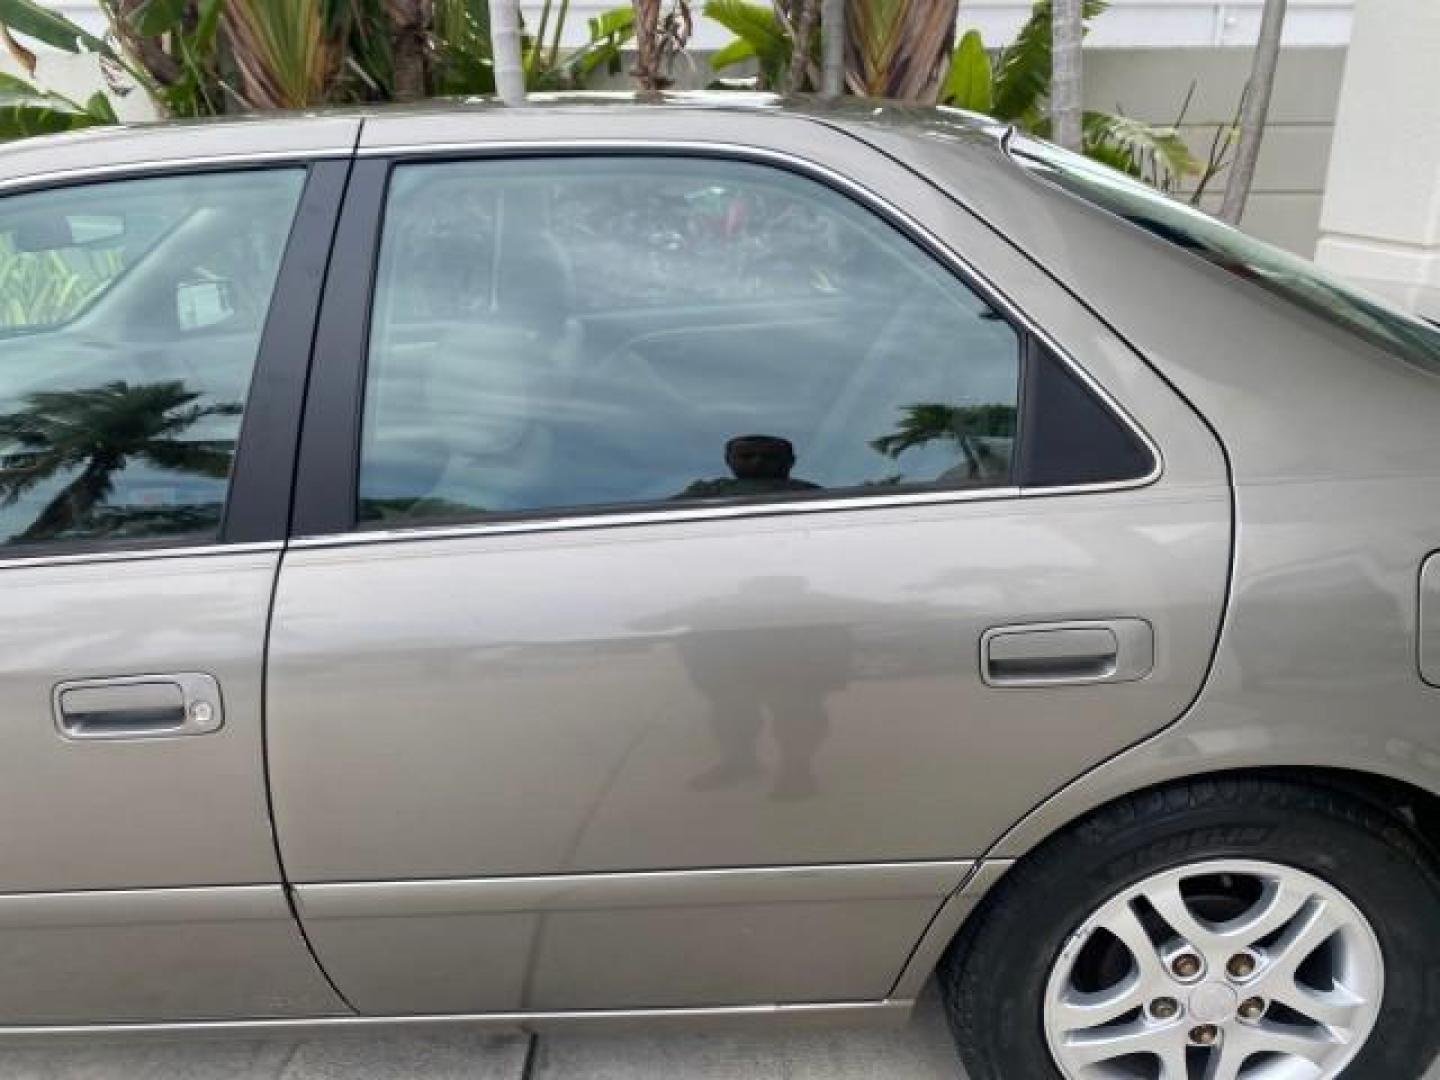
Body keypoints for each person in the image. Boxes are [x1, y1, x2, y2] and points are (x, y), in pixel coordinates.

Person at [678, 434, 821, 499]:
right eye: (746, 457)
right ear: (728, 460)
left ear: (791, 461)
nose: (757, 462)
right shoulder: (707, 491)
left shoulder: (808, 493)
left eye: (769, 457)